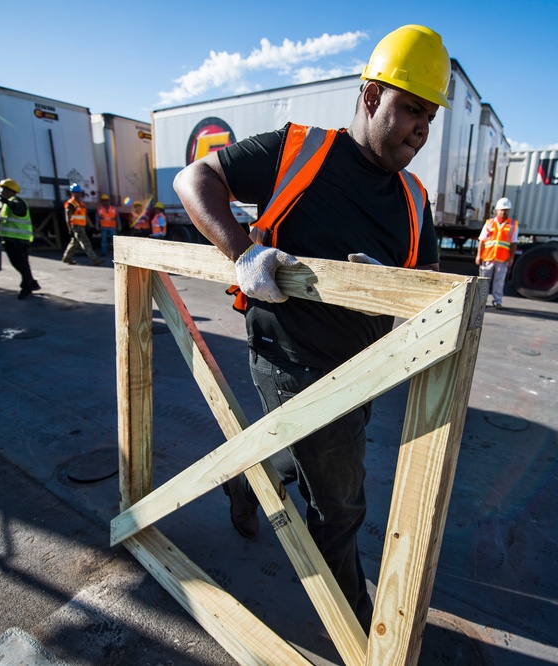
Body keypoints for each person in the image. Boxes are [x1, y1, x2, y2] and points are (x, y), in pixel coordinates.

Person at [173, 24, 450, 631]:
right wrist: (242, 252)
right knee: (340, 504)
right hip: (288, 354)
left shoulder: (412, 196)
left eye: (429, 116)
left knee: (296, 457)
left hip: (362, 366)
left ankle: (247, 484)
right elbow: (194, 180)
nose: (420, 129)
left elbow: (429, 280)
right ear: (372, 96)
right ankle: (356, 628)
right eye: (410, 109)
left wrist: (392, 285)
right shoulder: (298, 151)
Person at [0, 178, 41, 299]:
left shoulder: (16, 201)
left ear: (11, 191)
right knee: (20, 264)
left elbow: (19, 209)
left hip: (18, 240)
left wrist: (9, 203)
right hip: (12, 239)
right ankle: (32, 283)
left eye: (5, 189)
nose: (2, 192)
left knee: (21, 264)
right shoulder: (7, 203)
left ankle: (27, 287)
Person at [475, 197, 518, 309]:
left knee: (499, 281)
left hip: (502, 259)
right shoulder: (489, 223)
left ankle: (497, 301)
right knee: (483, 281)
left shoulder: (512, 225)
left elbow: (513, 243)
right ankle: (480, 301)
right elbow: (482, 241)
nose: (504, 212)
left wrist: (511, 258)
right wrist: (479, 255)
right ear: (497, 210)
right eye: (502, 210)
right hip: (488, 257)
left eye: (506, 210)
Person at [61, 183, 103, 265]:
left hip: (81, 226)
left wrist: (92, 227)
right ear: (72, 193)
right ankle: (95, 259)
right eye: (76, 192)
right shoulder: (71, 204)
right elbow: (67, 218)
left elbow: (86, 216)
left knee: (74, 243)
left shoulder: (81, 204)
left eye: (79, 192)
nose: (78, 194)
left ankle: (66, 258)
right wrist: (70, 229)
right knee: (85, 243)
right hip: (76, 227)